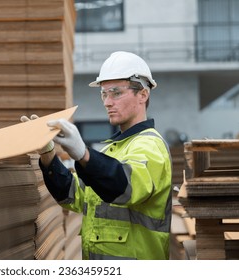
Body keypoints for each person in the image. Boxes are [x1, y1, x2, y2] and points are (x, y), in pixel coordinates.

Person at [22, 51, 172, 260]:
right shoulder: (115, 149)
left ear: (143, 95)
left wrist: (83, 154)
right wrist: (47, 154)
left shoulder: (149, 145)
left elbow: (125, 186)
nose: (107, 102)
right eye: (104, 94)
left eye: (116, 93)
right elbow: (74, 196)